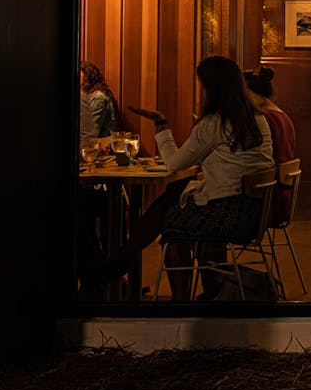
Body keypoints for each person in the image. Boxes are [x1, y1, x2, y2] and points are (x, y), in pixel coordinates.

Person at [93, 56, 276, 300]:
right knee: (171, 201)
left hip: (226, 213)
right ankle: (117, 268)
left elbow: (175, 163)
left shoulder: (215, 122)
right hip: (252, 212)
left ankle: (128, 277)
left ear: (210, 88)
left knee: (169, 225)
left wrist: (161, 125)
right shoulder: (258, 119)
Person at [245, 66, 297, 226]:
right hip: (282, 196)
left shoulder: (263, 119)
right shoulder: (283, 116)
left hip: (266, 200)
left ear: (250, 93)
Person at [80, 61, 119, 138]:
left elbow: (89, 130)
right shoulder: (88, 95)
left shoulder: (98, 97)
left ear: (88, 76)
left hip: (102, 146)